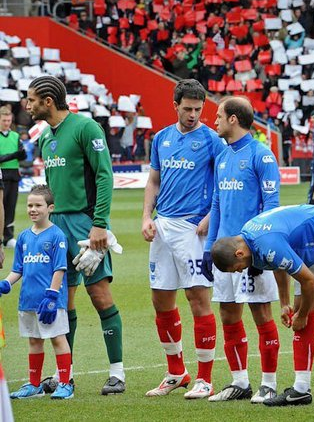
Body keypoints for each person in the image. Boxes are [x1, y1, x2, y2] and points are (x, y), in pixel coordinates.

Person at [210, 205, 314, 409]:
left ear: (239, 254)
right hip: (310, 247)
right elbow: (277, 263)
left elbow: (309, 281)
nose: (239, 272)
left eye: (236, 269)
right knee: (300, 311)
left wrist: (302, 315)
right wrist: (285, 303)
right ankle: (301, 389)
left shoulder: (266, 243)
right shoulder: (249, 240)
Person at [26, 76, 123, 395]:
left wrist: (100, 224)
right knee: (61, 301)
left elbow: (104, 176)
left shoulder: (86, 128)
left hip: (85, 225)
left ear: (48, 101)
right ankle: (64, 374)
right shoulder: (45, 137)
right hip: (56, 229)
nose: (27, 105)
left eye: (31, 99)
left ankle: (117, 373)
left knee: (99, 295)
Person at [141, 80, 224, 399]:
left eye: (198, 109)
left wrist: (210, 217)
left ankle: (205, 378)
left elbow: (223, 181)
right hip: (163, 226)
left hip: (193, 229)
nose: (193, 115)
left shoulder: (212, 140)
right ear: (175, 105)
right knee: (160, 300)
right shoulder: (161, 138)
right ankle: (176, 372)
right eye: (187, 108)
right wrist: (146, 217)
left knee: (197, 299)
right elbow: (153, 181)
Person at [199, 96, 283, 404]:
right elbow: (217, 204)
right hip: (225, 252)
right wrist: (209, 249)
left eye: (219, 116)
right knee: (228, 313)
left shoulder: (262, 155)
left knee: (261, 313)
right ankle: (240, 381)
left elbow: (272, 206)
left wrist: (259, 251)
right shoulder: (222, 156)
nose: (215, 121)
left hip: (249, 253)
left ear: (233, 119)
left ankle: (269, 384)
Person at [0, 185, 73, 400]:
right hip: (28, 300)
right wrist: (6, 284)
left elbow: (60, 268)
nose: (33, 209)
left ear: (50, 208)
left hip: (50, 301)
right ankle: (34, 385)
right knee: (34, 341)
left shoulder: (57, 235)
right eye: (30, 205)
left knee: (58, 339)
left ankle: (65, 383)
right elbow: (18, 269)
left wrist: (52, 296)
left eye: (38, 205)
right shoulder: (23, 237)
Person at [0, 106, 23, 247]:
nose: (7, 123)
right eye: (4, 120)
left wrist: (22, 153)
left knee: (11, 206)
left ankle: (8, 237)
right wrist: (14, 155)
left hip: (13, 174)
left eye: (9, 120)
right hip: (1, 174)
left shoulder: (15, 136)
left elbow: (22, 156)